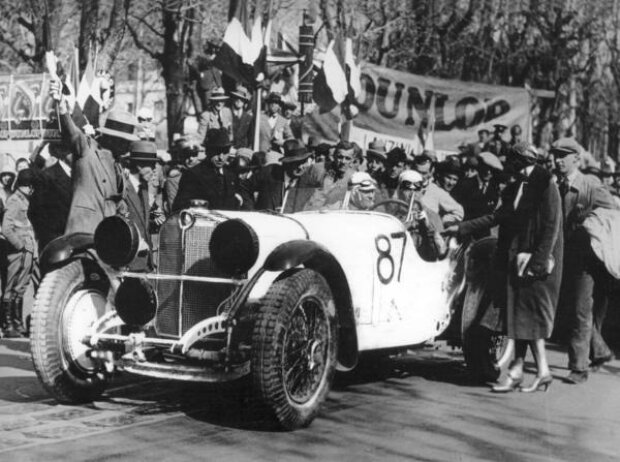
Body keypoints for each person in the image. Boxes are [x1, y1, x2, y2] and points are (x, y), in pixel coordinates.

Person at [447, 142, 564, 393]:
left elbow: (551, 227)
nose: (508, 166)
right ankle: (527, 371)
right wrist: (462, 227)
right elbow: (498, 217)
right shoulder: (518, 186)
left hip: (535, 263)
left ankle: (525, 372)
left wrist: (539, 261)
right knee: (520, 317)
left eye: (511, 161)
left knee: (526, 317)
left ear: (520, 160)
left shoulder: (545, 184)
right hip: (517, 260)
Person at [553, 138, 618, 384]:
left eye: (563, 155)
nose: (557, 160)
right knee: (570, 308)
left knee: (580, 309)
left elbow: (612, 212)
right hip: (563, 255)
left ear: (576, 159)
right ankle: (600, 351)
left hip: (586, 258)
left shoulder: (590, 185)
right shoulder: (554, 184)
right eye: (555, 155)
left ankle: (579, 368)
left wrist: (592, 223)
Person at [50, 81, 139, 235]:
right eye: (125, 141)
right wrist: (62, 106)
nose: (128, 145)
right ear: (112, 139)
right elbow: (73, 133)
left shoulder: (118, 165)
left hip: (108, 237)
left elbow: (118, 203)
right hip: (85, 231)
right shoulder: (88, 149)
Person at [2, 169, 37, 338]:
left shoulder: (25, 199)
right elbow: (7, 228)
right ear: (28, 185)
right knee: (12, 286)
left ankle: (17, 323)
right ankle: (8, 324)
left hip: (27, 250)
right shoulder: (15, 200)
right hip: (18, 251)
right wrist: (20, 245)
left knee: (20, 288)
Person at [172, 128, 240, 212]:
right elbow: (179, 207)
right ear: (208, 151)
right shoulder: (193, 174)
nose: (221, 157)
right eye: (217, 152)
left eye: (225, 152)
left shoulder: (231, 175)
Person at [240, 139, 316, 212]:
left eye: (303, 162)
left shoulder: (307, 182)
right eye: (296, 163)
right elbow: (244, 187)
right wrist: (251, 211)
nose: (300, 167)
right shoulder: (269, 172)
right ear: (286, 163)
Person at [120, 141, 162, 271]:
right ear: (139, 166)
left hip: (144, 262)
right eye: (151, 165)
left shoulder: (143, 188)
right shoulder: (122, 188)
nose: (155, 169)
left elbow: (142, 222)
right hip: (128, 263)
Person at [28, 141, 73, 252]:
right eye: (74, 151)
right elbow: (34, 212)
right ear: (62, 153)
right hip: (54, 245)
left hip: (75, 243)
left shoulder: (79, 175)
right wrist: (51, 239)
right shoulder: (46, 177)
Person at [394, 170, 446, 262]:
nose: (412, 194)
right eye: (407, 189)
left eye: (416, 190)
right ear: (400, 190)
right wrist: (405, 225)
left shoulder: (432, 215)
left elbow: (441, 251)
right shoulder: (392, 214)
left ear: (422, 191)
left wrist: (428, 226)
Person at [412, 153, 464, 227]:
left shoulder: (436, 191)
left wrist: (439, 222)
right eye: (417, 172)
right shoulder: (404, 185)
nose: (420, 176)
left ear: (430, 173)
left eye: (424, 173)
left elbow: (459, 212)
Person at [164, 137, 205, 212]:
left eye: (194, 154)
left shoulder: (206, 174)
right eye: (187, 155)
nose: (191, 158)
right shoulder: (174, 179)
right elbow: (174, 209)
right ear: (181, 157)